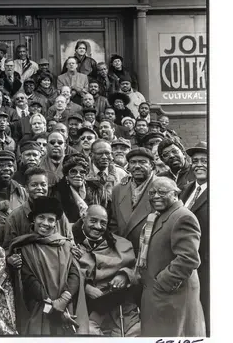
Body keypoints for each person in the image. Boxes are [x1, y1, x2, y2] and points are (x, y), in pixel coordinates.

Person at [7, 196, 87, 335]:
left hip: (66, 306)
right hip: (39, 308)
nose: (45, 223)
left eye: (51, 219)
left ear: (56, 223)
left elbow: (74, 274)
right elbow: (28, 279)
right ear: (33, 219)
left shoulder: (66, 245)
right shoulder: (23, 247)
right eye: (41, 217)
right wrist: (53, 306)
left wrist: (63, 300)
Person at [138, 177, 205, 337]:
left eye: (162, 192)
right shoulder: (158, 216)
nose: (155, 196)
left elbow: (188, 259)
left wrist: (162, 283)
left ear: (175, 194)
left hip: (172, 296)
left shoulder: (182, 217)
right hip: (160, 296)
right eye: (152, 192)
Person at [72, 205, 140, 336]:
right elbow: (65, 272)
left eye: (103, 222)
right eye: (93, 221)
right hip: (87, 309)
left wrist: (125, 275)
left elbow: (137, 268)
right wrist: (85, 287)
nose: (98, 226)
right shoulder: (71, 243)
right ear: (83, 217)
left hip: (121, 308)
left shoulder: (121, 243)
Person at [179, 141, 209, 333]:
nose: (199, 164)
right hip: (185, 263)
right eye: (195, 160)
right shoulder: (187, 189)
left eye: (205, 160)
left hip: (207, 263)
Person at [3, 168, 73, 248]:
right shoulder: (14, 217)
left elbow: (70, 240)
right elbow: (8, 248)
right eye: (34, 185)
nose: (39, 188)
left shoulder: (58, 214)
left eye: (43, 185)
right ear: (26, 188)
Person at [108, 148, 156, 254]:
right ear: (128, 166)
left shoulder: (162, 188)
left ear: (152, 165)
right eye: (133, 162)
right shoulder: (118, 190)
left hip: (150, 252)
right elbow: (113, 223)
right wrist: (119, 246)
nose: (137, 166)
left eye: (142, 162)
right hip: (124, 252)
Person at [52, 153, 91, 223]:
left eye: (82, 172)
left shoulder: (96, 190)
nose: (78, 175)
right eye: (73, 172)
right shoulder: (57, 193)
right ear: (66, 175)